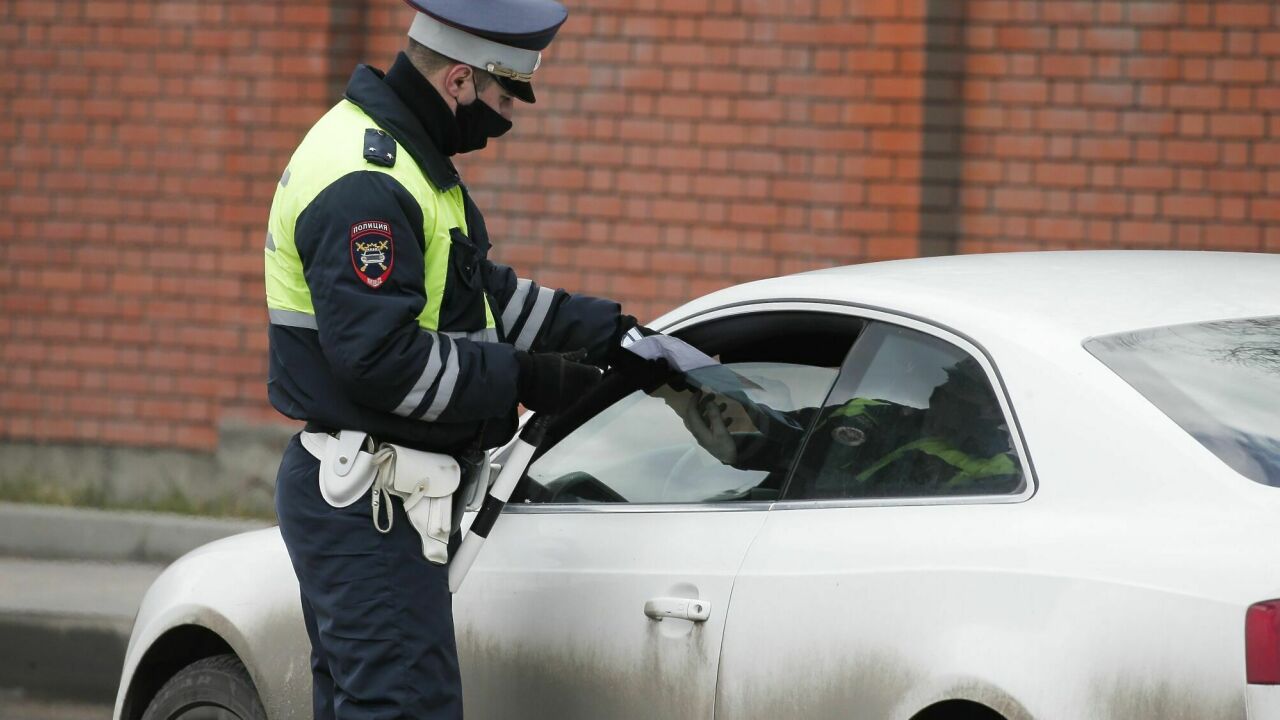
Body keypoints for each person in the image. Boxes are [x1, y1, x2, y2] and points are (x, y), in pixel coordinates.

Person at [262, 1, 647, 717]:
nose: (501, 125)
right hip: (371, 501)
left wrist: (612, 335)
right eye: (501, 103)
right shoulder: (367, 181)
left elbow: (486, 296)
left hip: (382, 497)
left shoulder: (411, 162)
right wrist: (528, 381)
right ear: (461, 82)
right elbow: (381, 361)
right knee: (405, 705)